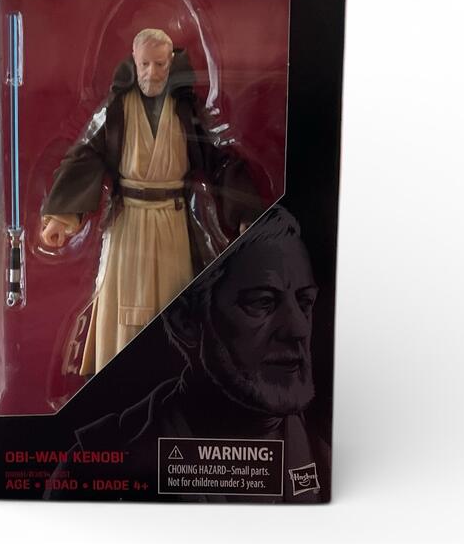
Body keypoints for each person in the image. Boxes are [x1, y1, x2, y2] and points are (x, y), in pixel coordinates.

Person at [44, 207, 330, 502]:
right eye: (262, 303)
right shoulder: (96, 466)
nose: (298, 328)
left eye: (305, 302)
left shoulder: (328, 452)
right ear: (185, 321)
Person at [40, 28, 261, 376]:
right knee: (125, 305)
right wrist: (61, 216)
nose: (152, 73)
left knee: (174, 302)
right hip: (128, 221)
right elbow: (86, 156)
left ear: (171, 62)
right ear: (134, 60)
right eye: (145, 64)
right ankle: (120, 377)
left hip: (173, 220)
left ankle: (173, 379)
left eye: (159, 64)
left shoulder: (186, 109)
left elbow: (219, 158)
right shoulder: (116, 109)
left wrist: (246, 213)